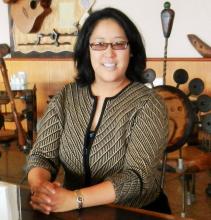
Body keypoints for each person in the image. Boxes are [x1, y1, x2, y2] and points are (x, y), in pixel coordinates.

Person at [26, 7, 171, 215]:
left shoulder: (149, 103)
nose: (109, 53)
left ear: (132, 51)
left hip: (134, 213)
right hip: (72, 210)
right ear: (87, 50)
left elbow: (137, 177)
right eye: (99, 43)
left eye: (119, 44)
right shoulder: (67, 96)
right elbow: (42, 156)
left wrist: (75, 198)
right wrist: (42, 188)